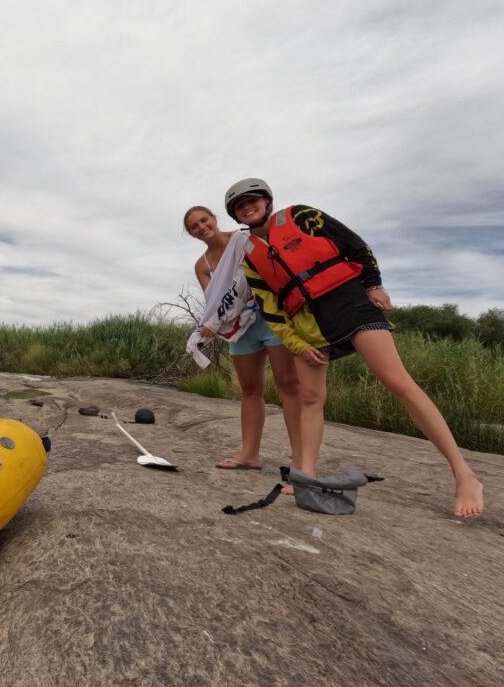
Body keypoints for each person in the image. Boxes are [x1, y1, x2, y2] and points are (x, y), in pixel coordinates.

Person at [225, 178, 484, 518]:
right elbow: (271, 310)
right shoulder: (250, 258)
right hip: (309, 328)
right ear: (236, 215)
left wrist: (374, 285)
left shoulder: (302, 216)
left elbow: (356, 246)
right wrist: (297, 345)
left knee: (398, 383)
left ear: (266, 200)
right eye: (239, 206)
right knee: (310, 400)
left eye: (252, 199)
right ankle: (306, 475)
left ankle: (464, 474)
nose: (247, 207)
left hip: (350, 306)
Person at [184, 206, 303, 476]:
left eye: (204, 220)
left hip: (269, 317)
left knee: (289, 385)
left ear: (214, 218)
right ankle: (249, 454)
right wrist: (207, 327)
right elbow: (214, 300)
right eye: (194, 226)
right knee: (249, 389)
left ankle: (300, 457)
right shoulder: (202, 265)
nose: (202, 227)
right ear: (191, 234)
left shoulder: (242, 239)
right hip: (239, 328)